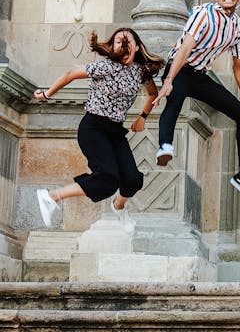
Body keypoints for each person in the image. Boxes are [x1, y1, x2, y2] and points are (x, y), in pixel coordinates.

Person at [152, 0, 240, 205]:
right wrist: (169, 79)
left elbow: (239, 67)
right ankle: (165, 146)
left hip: (200, 76)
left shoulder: (238, 27)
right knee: (174, 100)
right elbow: (185, 48)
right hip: (180, 68)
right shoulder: (204, 14)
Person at [34, 28, 163, 225]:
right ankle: (51, 196)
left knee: (133, 180)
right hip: (93, 128)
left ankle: (118, 207)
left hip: (115, 132)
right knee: (107, 179)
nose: (124, 45)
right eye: (119, 42)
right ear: (113, 47)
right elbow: (71, 74)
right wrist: (47, 94)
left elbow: (153, 94)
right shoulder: (105, 66)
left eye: (128, 41)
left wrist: (142, 117)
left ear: (137, 46)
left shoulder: (140, 70)